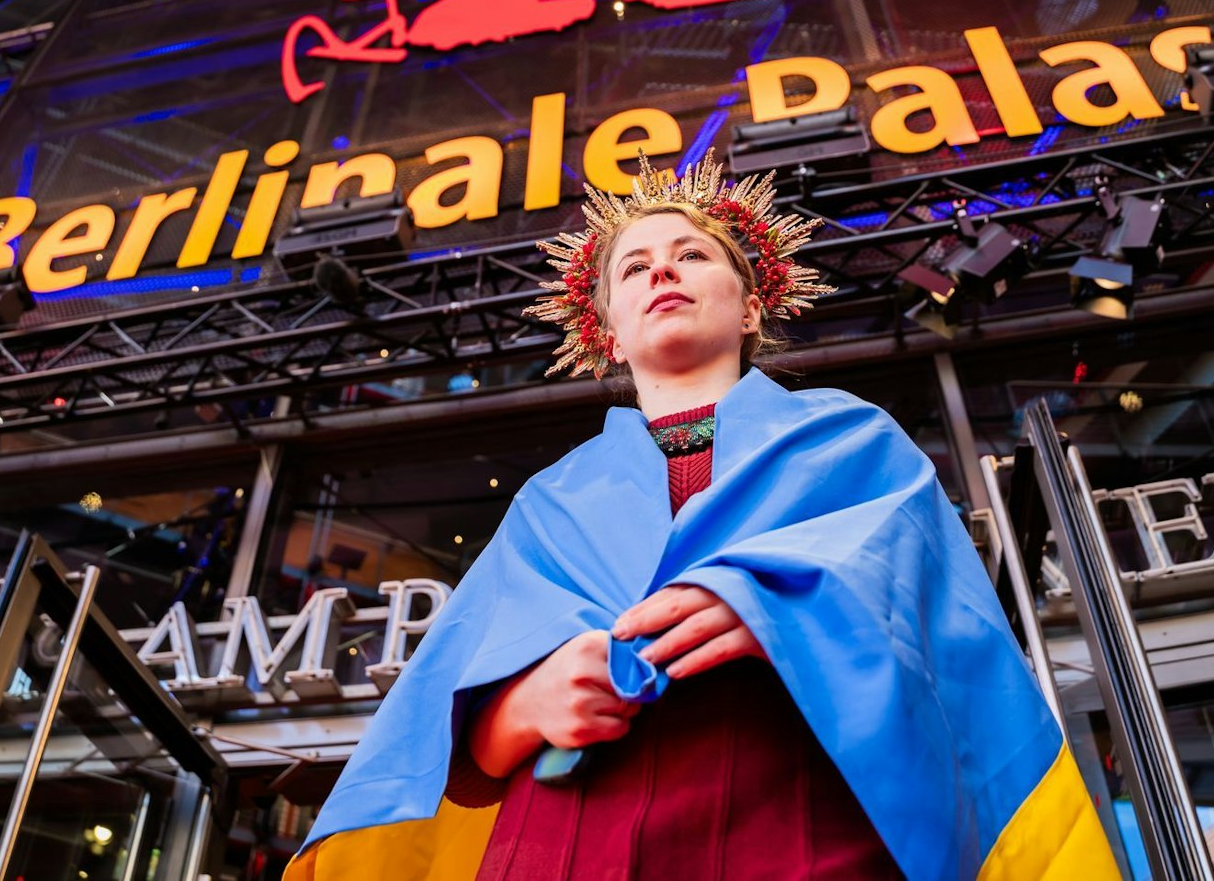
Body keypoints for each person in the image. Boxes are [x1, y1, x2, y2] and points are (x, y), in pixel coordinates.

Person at [288, 151, 1117, 880]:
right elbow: (449, 734)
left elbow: (942, 635)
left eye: (692, 254)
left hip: (800, 820)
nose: (663, 271)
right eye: (634, 267)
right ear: (609, 335)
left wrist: (786, 603)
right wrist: (519, 706)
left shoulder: (854, 439)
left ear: (752, 308)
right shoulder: (548, 499)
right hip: (565, 842)